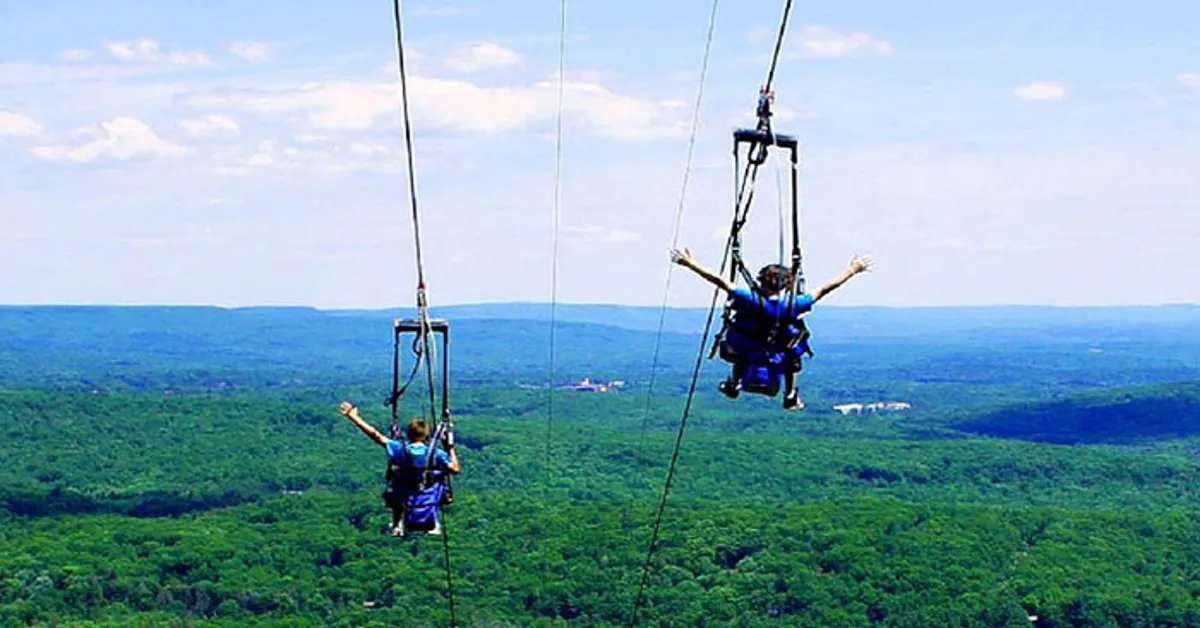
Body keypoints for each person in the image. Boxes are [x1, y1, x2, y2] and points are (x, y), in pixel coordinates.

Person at [670, 248, 873, 409]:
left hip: (746, 346)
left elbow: (719, 281)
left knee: (741, 351)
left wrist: (691, 264)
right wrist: (853, 270)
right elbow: (826, 288)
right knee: (794, 353)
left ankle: (734, 383)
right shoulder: (794, 303)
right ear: (787, 285)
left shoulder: (749, 298)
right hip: (780, 351)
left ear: (761, 280)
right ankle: (791, 393)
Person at [338, 401, 460, 537]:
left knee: (397, 487)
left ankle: (397, 523)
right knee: (437, 478)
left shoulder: (399, 449)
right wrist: (450, 449)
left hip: (403, 491)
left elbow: (375, 435)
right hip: (429, 491)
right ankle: (433, 519)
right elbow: (455, 469)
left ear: (408, 434)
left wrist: (353, 416)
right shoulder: (436, 454)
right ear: (426, 436)